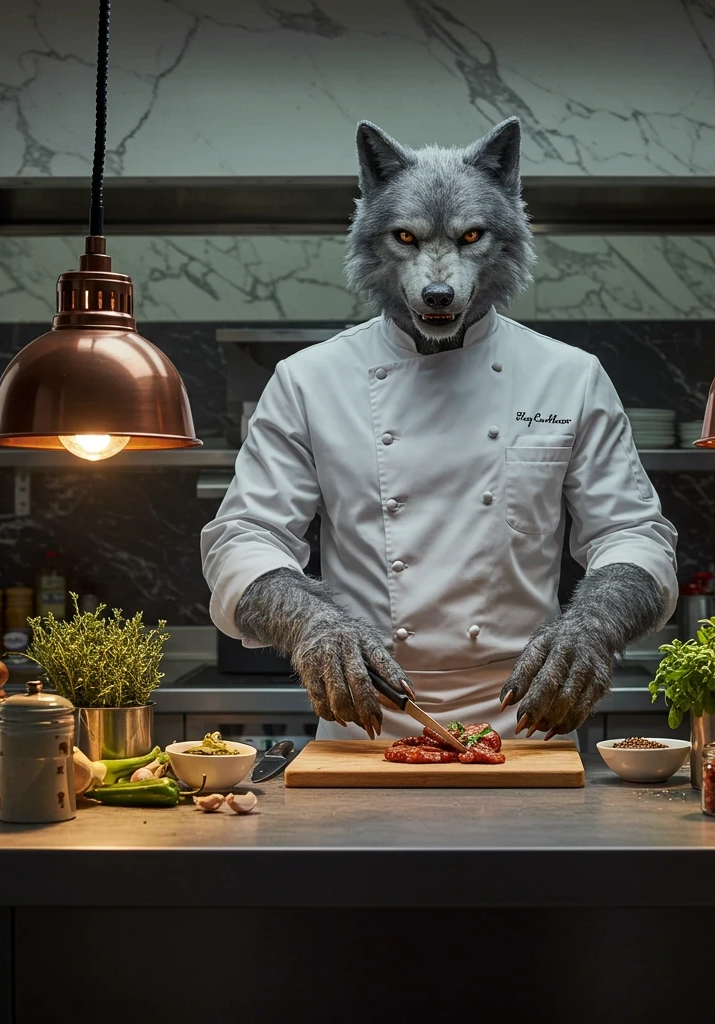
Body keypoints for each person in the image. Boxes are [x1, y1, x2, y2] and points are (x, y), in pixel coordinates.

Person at [202, 117, 677, 741]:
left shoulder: (570, 377)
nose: (437, 281)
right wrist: (312, 625)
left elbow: (634, 534)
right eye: (407, 238)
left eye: (469, 237)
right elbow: (243, 538)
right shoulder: (306, 380)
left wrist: (592, 627)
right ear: (375, 238)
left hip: (529, 720)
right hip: (367, 722)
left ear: (503, 236)